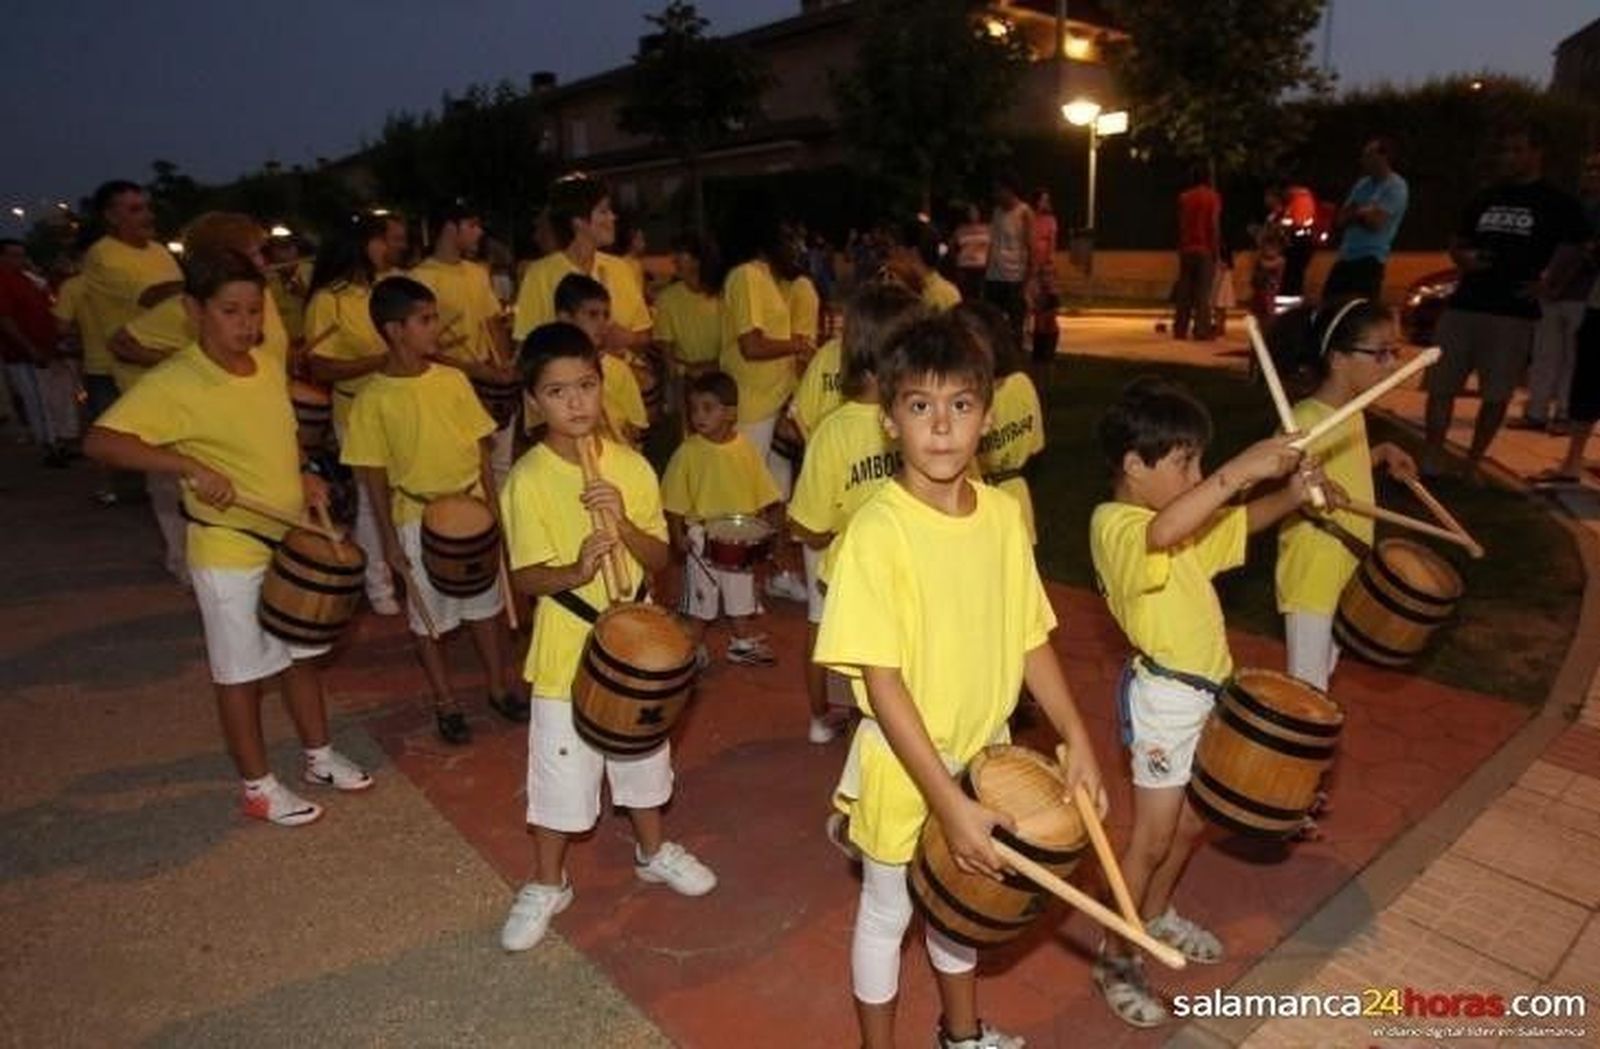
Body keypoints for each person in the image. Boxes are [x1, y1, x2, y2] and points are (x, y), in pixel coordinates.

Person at [816, 311, 1103, 1049]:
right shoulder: (876, 532)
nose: (941, 427)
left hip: (985, 759)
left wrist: (1077, 736)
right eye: (920, 406)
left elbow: (1029, 635)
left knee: (963, 901)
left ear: (986, 415)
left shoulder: (1005, 516)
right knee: (888, 912)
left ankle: (962, 1033)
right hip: (905, 764)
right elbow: (881, 684)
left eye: (960, 405)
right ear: (888, 421)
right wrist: (947, 802)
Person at [84, 248, 373, 826]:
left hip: (289, 540)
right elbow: (100, 441)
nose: (246, 325)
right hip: (227, 545)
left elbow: (282, 431)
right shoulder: (175, 381)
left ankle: (317, 757)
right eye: (230, 312)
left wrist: (305, 474)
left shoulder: (265, 361)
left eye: (253, 311)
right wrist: (185, 465)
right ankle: (258, 786)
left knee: (301, 657)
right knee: (241, 674)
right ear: (194, 310)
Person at [1089, 378, 1316, 1027]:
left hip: (1206, 692)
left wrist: (1292, 492)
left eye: (1200, 460)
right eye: (1184, 461)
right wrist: (1241, 469)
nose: (1198, 473)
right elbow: (1166, 529)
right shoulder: (1118, 525)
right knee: (1152, 836)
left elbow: (1233, 524)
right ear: (1134, 466)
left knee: (1191, 824)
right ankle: (1114, 955)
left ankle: (1155, 914)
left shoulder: (1176, 525)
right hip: (1165, 702)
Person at [498, 320, 717, 953]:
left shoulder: (631, 468)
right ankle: (548, 881)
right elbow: (527, 577)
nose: (576, 403)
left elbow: (659, 557)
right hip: (567, 650)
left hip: (636, 643)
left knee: (644, 760)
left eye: (587, 386)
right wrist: (576, 568)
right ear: (535, 402)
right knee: (559, 775)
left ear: (603, 387)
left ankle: (652, 852)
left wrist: (620, 520)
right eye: (558, 391)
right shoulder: (529, 480)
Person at [341, 277, 526, 745]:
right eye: (425, 320)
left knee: (485, 609)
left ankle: (498, 686)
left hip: (472, 509)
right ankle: (445, 701)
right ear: (395, 330)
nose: (435, 327)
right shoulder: (373, 399)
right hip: (416, 519)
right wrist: (388, 544)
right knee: (429, 619)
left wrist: (495, 512)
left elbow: (480, 450)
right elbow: (374, 477)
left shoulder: (453, 380)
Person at [789, 283, 923, 745]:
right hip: (898, 568)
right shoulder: (919, 417)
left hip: (849, 566)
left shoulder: (834, 431)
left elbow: (807, 525)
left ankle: (824, 718)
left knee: (828, 633)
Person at [1422, 123, 1591, 479]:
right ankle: (1432, 457)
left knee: (1496, 393)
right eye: (1505, 150)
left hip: (1512, 312)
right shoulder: (1485, 197)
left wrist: (1550, 283)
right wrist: (1463, 258)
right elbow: (1458, 240)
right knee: (1441, 385)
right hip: (1466, 303)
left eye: (1517, 150)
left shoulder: (1555, 202)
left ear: (1536, 153)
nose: (1509, 157)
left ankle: (1472, 462)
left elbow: (1577, 244)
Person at [1271, 299, 1417, 691]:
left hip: (1349, 564)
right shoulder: (1304, 420)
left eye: (1394, 352)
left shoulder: (1352, 411)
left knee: (1322, 675)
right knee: (1305, 692)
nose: (1391, 364)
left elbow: (1339, 472)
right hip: (1316, 568)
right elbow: (1274, 472)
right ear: (1338, 359)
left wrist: (1380, 454)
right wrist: (1305, 483)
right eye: (1379, 353)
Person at [306, 212, 404, 614]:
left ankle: (403, 569)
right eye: (381, 240)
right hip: (356, 412)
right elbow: (320, 367)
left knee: (402, 492)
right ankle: (377, 584)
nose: (388, 248)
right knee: (368, 498)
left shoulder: (384, 290)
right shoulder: (328, 300)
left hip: (398, 406)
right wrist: (377, 361)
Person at [661, 370, 783, 667]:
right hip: (701, 538)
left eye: (707, 408)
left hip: (738, 537)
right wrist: (678, 535)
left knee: (740, 594)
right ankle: (691, 648)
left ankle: (740, 643)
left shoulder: (746, 449)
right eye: (693, 409)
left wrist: (769, 533)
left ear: (730, 413)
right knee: (702, 602)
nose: (698, 416)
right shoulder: (687, 452)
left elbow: (767, 495)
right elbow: (673, 501)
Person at [720, 211, 812, 603]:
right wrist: (797, 344)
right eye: (790, 239)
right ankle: (731, 588)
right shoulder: (745, 277)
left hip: (773, 405)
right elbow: (751, 345)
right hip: (751, 407)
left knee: (775, 498)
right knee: (742, 500)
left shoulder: (771, 282)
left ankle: (775, 573)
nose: (798, 249)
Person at [410, 201, 519, 484]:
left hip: (486, 376)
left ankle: (502, 522)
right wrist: (472, 370)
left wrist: (503, 365)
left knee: (501, 464)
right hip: (447, 382)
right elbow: (419, 348)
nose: (479, 232)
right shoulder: (420, 278)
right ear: (449, 228)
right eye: (472, 225)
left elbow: (493, 323)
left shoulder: (477, 272)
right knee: (467, 464)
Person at [1516, 150, 1600, 433]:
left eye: (1597, 169)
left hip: (1582, 295)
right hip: (1553, 291)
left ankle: (1565, 413)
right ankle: (1536, 411)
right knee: (1545, 354)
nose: (1591, 174)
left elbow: (1585, 255)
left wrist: (1557, 284)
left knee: (1572, 360)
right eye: (1588, 167)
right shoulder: (1573, 206)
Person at [954, 301, 1045, 543]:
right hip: (1018, 496)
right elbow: (1036, 449)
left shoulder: (965, 399)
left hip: (979, 502)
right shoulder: (1022, 383)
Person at [554, 274, 649, 446]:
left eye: (605, 315)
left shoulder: (619, 369)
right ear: (565, 318)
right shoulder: (549, 372)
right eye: (592, 315)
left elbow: (636, 429)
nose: (602, 323)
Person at [0, 239, 67, 466]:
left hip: (41, 349)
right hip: (23, 354)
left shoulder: (26, 278)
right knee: (37, 401)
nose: (20, 259)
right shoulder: (4, 281)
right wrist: (29, 348)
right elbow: (6, 319)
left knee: (46, 399)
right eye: (14, 255)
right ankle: (50, 446)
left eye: (22, 255)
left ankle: (54, 442)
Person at [1324, 138, 1409, 301]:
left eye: (1369, 155)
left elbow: (1376, 223)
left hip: (1370, 258)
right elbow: (1341, 219)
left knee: (1361, 313)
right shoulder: (1363, 184)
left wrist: (1356, 213)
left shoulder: (1396, 186)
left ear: (1383, 157)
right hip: (1346, 255)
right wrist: (1363, 212)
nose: (1363, 160)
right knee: (1329, 305)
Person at [653, 232, 724, 425]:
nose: (673, 259)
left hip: (723, 375)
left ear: (698, 259)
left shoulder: (722, 294)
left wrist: (716, 366)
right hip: (689, 380)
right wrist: (681, 375)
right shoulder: (667, 299)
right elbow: (667, 351)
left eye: (680, 253)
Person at [983, 176, 1034, 349]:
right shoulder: (997, 212)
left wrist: (1027, 281)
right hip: (994, 276)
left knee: (1015, 326)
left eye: (999, 190)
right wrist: (986, 269)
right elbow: (993, 242)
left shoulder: (1024, 212)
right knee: (991, 323)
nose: (996, 195)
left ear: (1009, 190)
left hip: (1014, 278)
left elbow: (1031, 248)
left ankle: (1015, 362)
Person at [1173, 166, 1221, 341]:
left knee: (1184, 291)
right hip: (1205, 249)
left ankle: (1180, 329)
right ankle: (1202, 330)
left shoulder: (1184, 197)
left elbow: (1180, 224)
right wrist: (1216, 250)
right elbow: (1213, 225)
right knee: (1203, 292)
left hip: (1186, 248)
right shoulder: (1212, 197)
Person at [886, 220, 961, 313]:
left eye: (895, 249)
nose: (890, 257)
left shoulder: (943, 295)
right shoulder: (949, 293)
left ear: (912, 254)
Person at [1267, 180, 1319, 298]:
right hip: (1297, 243)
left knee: (1292, 278)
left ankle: (1290, 307)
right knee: (1291, 278)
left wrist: (1279, 226)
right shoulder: (1296, 201)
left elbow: (1297, 224)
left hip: (1299, 244)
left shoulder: (1300, 200)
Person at [952, 204, 991, 304]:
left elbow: (992, 247)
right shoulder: (960, 230)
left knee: (981, 295)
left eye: (975, 212)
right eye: (970, 212)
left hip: (981, 266)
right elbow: (952, 247)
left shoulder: (987, 229)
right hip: (964, 266)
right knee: (965, 294)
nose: (972, 214)